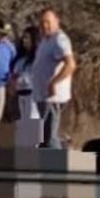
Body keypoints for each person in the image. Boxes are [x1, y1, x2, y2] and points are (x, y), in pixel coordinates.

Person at [32, 8, 77, 149]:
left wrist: (54, 82)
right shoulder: (46, 40)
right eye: (42, 23)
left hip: (53, 97)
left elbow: (70, 64)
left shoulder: (60, 40)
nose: (44, 26)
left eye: (48, 22)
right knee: (45, 136)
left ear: (57, 21)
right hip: (42, 96)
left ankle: (58, 165)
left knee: (49, 137)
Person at [9, 26, 41, 120]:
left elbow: (33, 76)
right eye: (23, 37)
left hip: (32, 95)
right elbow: (15, 72)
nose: (24, 40)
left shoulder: (38, 58)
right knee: (23, 121)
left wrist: (19, 79)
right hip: (20, 94)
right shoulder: (21, 59)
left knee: (32, 120)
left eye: (27, 37)